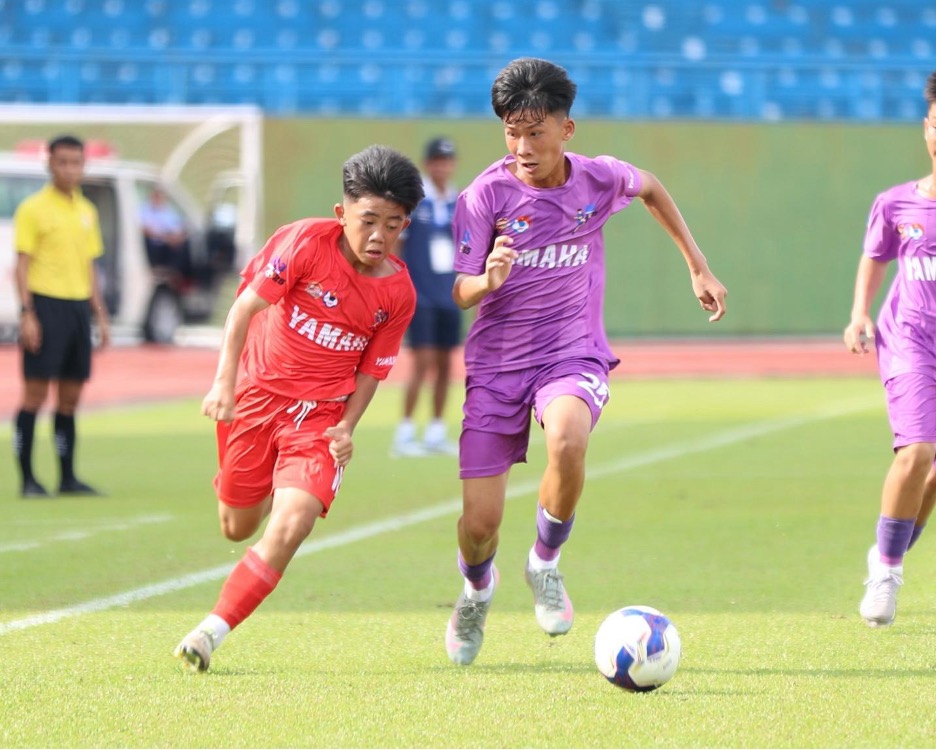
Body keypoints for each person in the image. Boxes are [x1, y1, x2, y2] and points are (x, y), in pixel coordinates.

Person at [444, 58, 728, 666]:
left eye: (535, 131)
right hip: (496, 367)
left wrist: (697, 264)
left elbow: (649, 185)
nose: (522, 145)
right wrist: (486, 281)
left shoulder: (597, 180)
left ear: (566, 129)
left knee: (568, 439)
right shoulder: (483, 196)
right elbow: (459, 290)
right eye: (511, 132)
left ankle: (545, 562)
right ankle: (476, 591)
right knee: (478, 526)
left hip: (571, 352)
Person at [173, 145, 422, 672]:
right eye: (369, 221)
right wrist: (223, 385)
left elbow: (372, 371)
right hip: (255, 400)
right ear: (342, 213)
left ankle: (209, 632)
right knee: (238, 527)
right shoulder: (306, 242)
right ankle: (263, 481)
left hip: (319, 420)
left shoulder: (398, 293)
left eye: (394, 224)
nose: (379, 235)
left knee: (293, 521)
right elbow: (244, 308)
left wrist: (348, 428)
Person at [844, 71, 936, 629]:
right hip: (910, 338)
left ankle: (886, 552)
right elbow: (874, 257)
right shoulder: (897, 202)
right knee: (917, 451)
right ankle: (889, 572)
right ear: (927, 130)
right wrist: (859, 313)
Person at [13, 134, 110, 499]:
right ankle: (28, 479)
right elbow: (20, 266)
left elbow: (89, 267)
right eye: (62, 162)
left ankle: (67, 478)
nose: (70, 169)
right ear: (49, 164)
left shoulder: (87, 211)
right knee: (35, 395)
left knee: (70, 397)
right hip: (45, 305)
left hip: (76, 309)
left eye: (76, 162)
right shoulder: (33, 209)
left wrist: (99, 315)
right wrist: (28, 313)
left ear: (84, 166)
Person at [391, 136, 463, 457]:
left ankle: (436, 430)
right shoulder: (415, 201)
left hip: (449, 293)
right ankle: (405, 431)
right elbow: (398, 245)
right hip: (420, 294)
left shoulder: (458, 201)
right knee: (422, 362)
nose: (442, 166)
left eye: (447, 160)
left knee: (447, 362)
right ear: (428, 163)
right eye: (437, 160)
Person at [140, 186, 191, 279]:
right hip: (152, 244)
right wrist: (165, 238)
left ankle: (175, 274)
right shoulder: (144, 210)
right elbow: (144, 230)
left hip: (167, 241)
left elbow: (175, 226)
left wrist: (177, 236)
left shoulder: (166, 211)